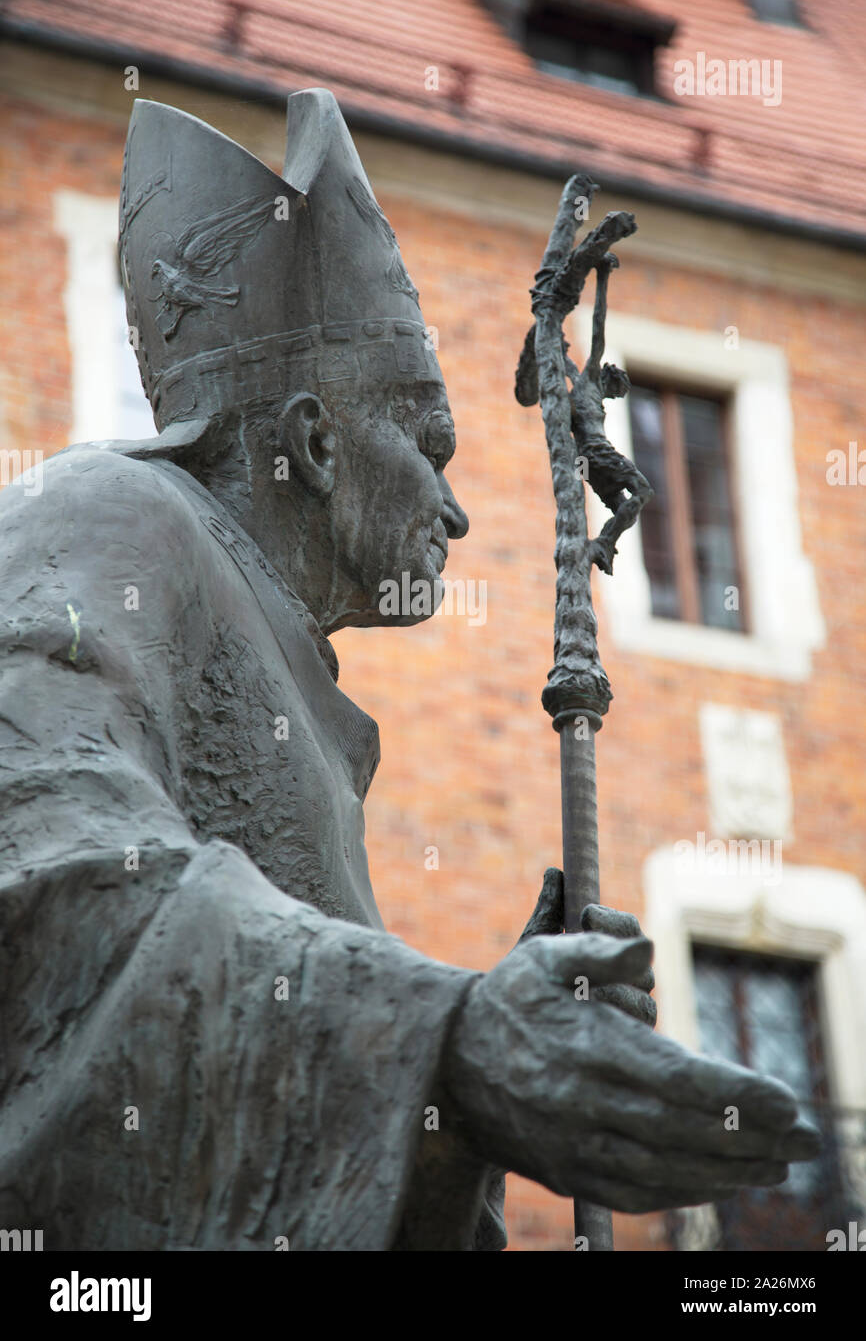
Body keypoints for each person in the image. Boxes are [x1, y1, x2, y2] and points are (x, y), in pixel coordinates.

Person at [0, 90, 818, 1251]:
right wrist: (448, 1037)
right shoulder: (105, 513)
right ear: (315, 444)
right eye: (425, 442)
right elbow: (41, 868)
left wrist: (463, 1089)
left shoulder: (299, 677)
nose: (456, 509)